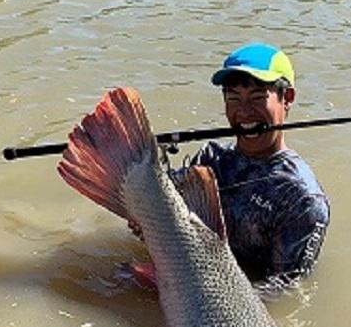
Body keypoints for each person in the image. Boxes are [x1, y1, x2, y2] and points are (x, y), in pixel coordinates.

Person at [130, 43, 330, 289]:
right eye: (233, 98)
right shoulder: (210, 159)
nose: (244, 112)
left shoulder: (303, 200)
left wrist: (203, 293)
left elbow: (285, 290)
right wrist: (145, 223)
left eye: (257, 98)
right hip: (185, 275)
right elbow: (167, 224)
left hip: (227, 297)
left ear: (286, 98)